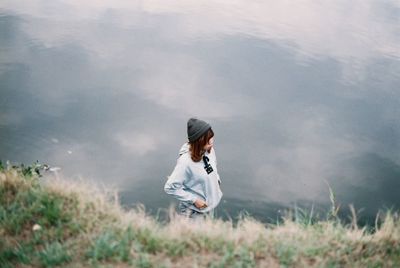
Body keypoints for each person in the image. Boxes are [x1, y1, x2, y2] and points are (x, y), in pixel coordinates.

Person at [164, 118, 223, 220]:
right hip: (194, 213)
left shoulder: (209, 150)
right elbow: (170, 187)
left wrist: (216, 180)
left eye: (211, 137)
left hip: (209, 208)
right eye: (207, 139)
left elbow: (213, 166)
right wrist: (194, 200)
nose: (211, 141)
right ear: (199, 141)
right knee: (194, 236)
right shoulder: (185, 162)